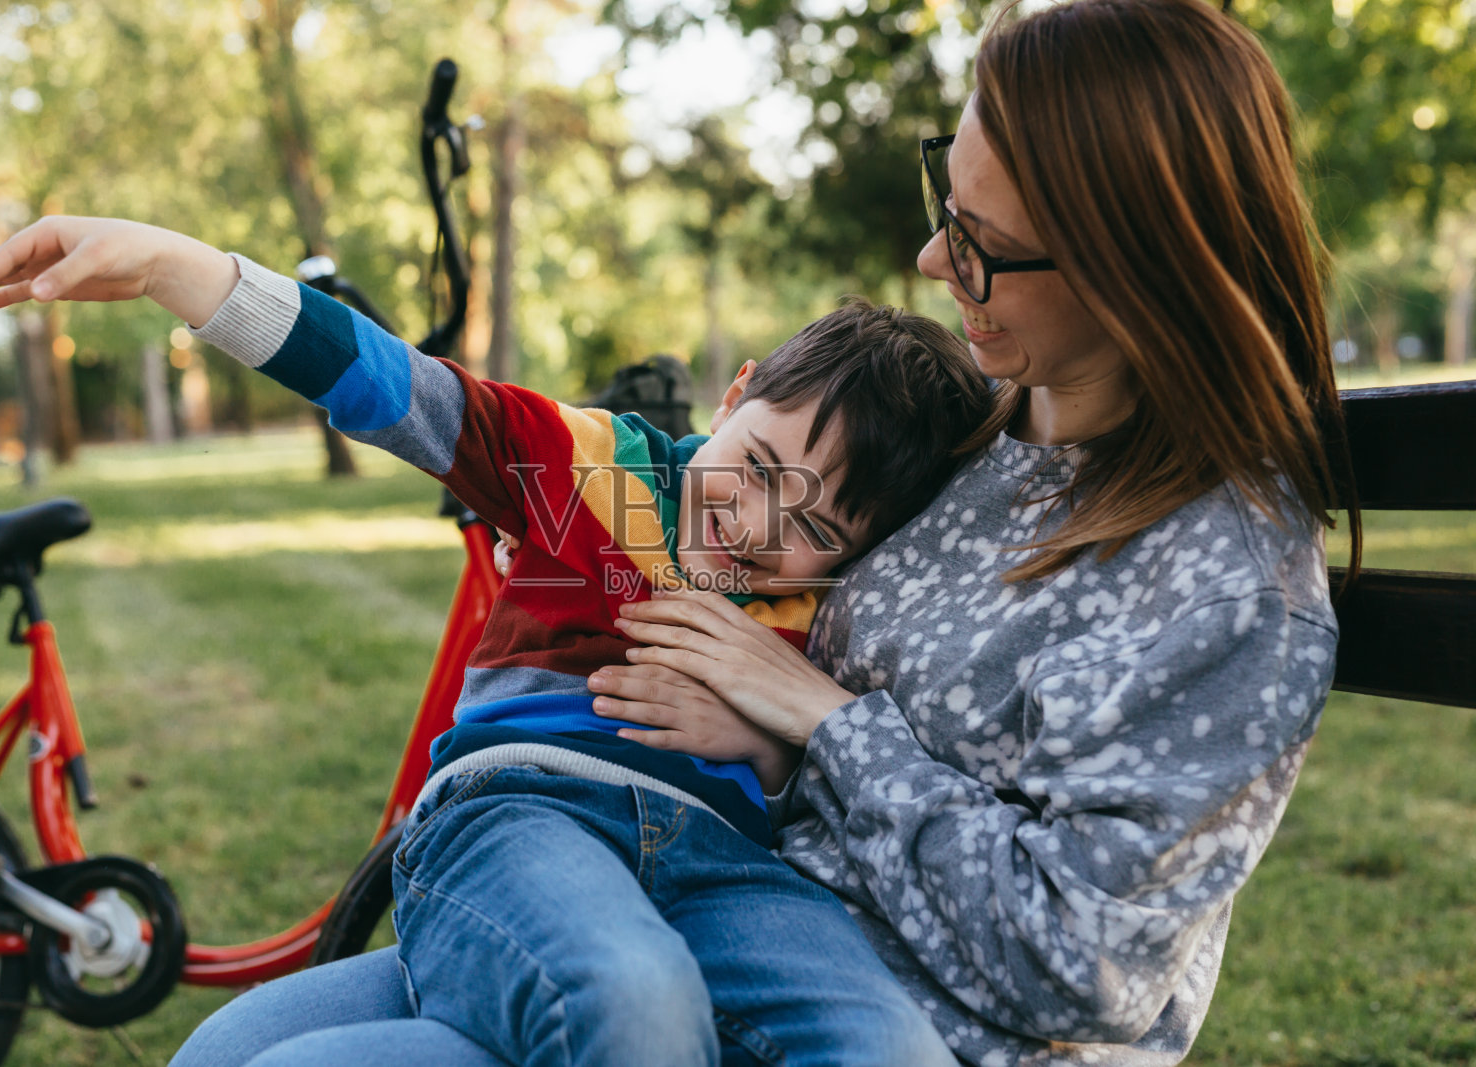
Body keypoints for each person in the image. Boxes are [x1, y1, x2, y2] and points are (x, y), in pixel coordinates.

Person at [0, 219, 989, 1066]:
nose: (758, 526)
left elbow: (856, 765)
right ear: (734, 392)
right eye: (756, 464)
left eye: (814, 528)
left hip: (728, 874)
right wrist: (178, 267)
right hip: (523, 820)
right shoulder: (592, 469)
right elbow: (396, 387)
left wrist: (763, 744)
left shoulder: (841, 606)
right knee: (631, 997)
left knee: (886, 1042)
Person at [580, 0, 1361, 1064]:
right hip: (711, 938)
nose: (932, 261)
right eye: (947, 208)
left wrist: (826, 723)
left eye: (981, 246)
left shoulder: (1224, 589)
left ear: (1131, 270)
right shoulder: (968, 447)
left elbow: (1078, 966)